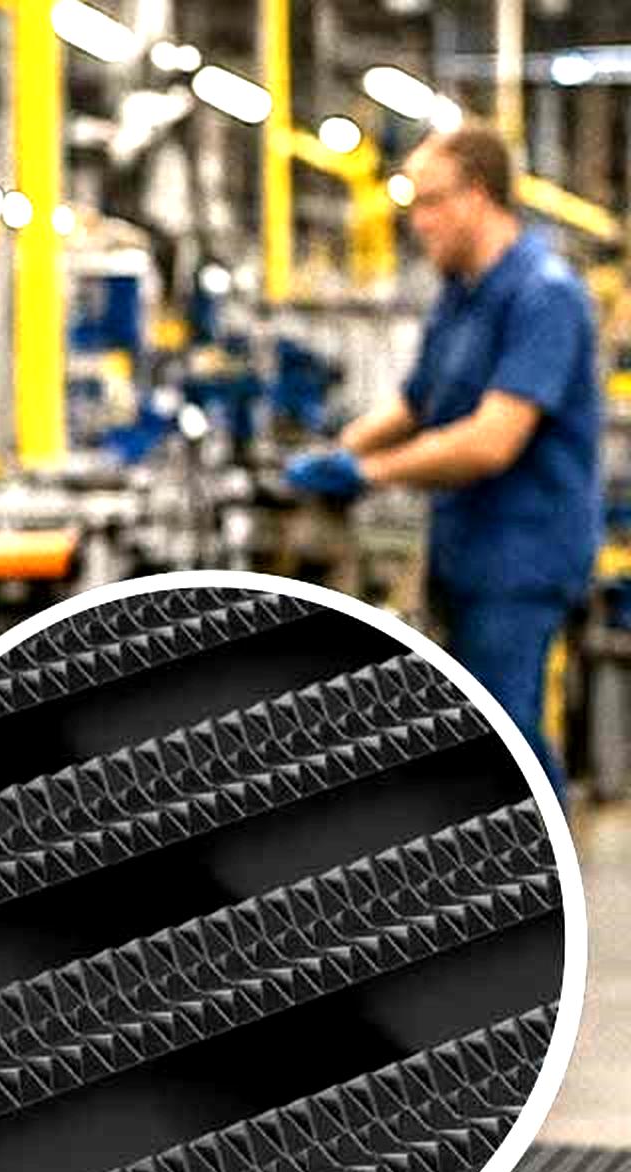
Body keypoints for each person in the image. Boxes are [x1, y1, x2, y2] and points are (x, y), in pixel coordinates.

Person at [284, 122, 603, 803]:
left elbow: (493, 438)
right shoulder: (460, 295)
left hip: (524, 555)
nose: (418, 223)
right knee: (482, 728)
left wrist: (370, 475)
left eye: (430, 203)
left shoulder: (545, 295)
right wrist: (332, 455)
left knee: (501, 735)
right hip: (467, 549)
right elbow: (415, 403)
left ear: (478, 198)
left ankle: (544, 886)